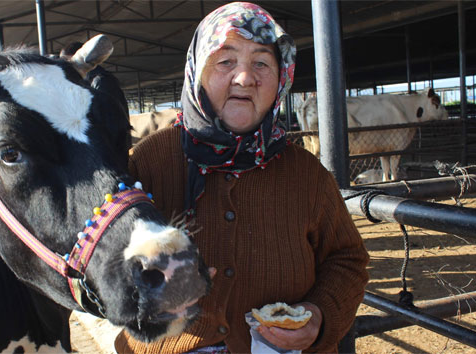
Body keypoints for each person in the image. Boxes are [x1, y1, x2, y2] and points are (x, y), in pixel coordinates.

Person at [115, 2, 369, 353]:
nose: (246, 77)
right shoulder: (147, 163)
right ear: (197, 71)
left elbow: (348, 259)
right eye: (225, 61)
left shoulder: (307, 174)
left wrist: (319, 314)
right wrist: (143, 289)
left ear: (281, 78)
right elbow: (97, 257)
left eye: (262, 63)